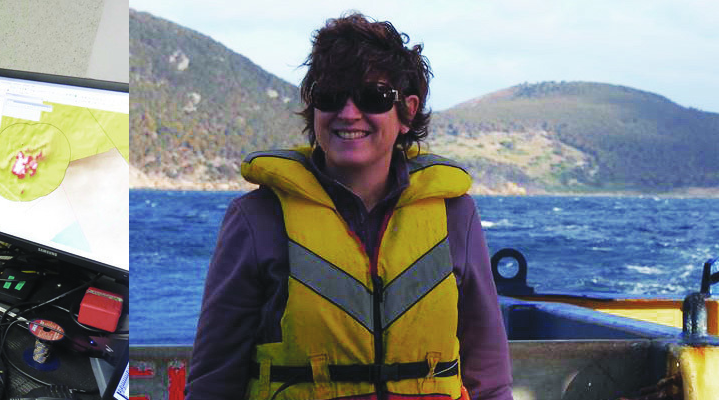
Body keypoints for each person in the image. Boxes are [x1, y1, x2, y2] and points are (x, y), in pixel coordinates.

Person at [186, 13, 513, 400]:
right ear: (313, 108)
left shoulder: (456, 217)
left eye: (373, 96)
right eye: (330, 95)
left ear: (407, 112)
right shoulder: (257, 218)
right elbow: (213, 382)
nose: (348, 112)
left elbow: (489, 379)